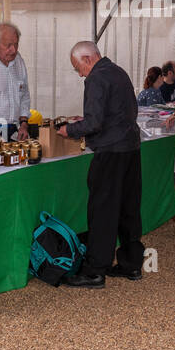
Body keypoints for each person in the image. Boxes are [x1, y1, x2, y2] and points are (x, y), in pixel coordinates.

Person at [56, 42, 144, 288]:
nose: (80, 74)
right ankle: (131, 265)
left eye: (78, 68)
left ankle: (95, 270)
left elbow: (94, 123)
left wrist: (69, 129)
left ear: (87, 58)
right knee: (128, 208)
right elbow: (117, 112)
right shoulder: (118, 71)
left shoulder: (95, 79)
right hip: (131, 148)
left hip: (110, 152)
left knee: (102, 210)